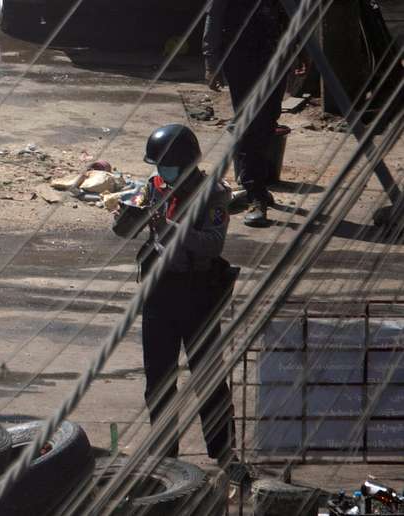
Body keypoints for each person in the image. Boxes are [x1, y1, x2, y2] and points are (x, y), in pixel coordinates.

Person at [120, 124, 240, 471]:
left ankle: (224, 452)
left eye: (167, 166)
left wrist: (174, 228)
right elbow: (128, 230)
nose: (161, 173)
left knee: (208, 377)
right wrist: (129, 217)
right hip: (159, 292)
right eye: (158, 167)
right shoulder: (155, 187)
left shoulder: (213, 194)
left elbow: (212, 243)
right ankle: (165, 455)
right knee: (158, 380)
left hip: (196, 293)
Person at [203, 0, 286, 227]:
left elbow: (289, 11)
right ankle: (255, 194)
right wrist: (212, 61)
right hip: (243, 58)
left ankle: (255, 184)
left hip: (276, 55)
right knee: (251, 124)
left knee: (269, 121)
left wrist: (302, 50)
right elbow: (214, 15)